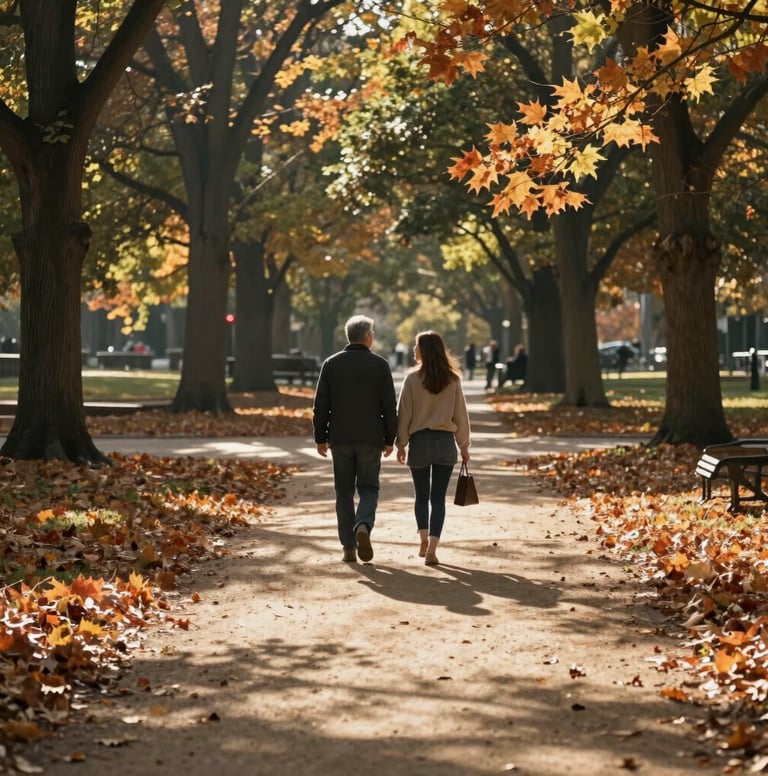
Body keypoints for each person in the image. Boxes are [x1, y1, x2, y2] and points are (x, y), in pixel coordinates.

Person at [313, 315, 397, 564]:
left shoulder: (331, 364)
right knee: (369, 488)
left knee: (344, 492)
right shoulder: (380, 365)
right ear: (368, 337)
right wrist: (390, 438)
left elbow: (321, 405)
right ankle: (363, 524)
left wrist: (320, 437)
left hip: (340, 438)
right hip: (371, 437)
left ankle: (348, 547)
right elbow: (389, 405)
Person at [395, 331, 471, 566]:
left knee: (421, 496)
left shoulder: (412, 380)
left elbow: (404, 415)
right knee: (438, 499)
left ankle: (423, 539)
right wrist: (464, 446)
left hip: (420, 443)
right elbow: (461, 415)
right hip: (445, 444)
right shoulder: (453, 380)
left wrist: (402, 443)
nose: (413, 350)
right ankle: (433, 549)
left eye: (416, 346)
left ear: (424, 350)